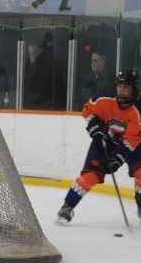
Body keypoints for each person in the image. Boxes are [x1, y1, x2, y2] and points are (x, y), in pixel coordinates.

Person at [56, 69, 141, 225]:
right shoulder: (104, 98)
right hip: (104, 139)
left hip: (133, 145)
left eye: (126, 87)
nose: (121, 90)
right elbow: (86, 110)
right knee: (90, 176)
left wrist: (118, 158)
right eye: (120, 86)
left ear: (135, 89)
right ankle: (67, 207)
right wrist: (94, 125)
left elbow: (132, 139)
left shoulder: (138, 111)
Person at [24, 37, 54, 109]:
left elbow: (44, 86)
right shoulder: (25, 64)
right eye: (31, 47)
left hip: (40, 103)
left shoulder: (45, 65)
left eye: (36, 48)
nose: (33, 50)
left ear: (41, 50)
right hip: (27, 100)